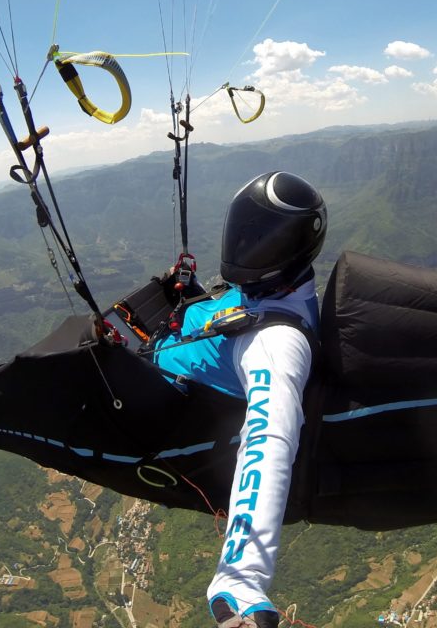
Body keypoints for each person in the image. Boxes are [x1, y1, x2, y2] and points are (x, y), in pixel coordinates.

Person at [153, 171, 327, 628]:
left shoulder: (278, 343)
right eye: (241, 235)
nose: (242, 249)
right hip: (164, 336)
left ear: (285, 249)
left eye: (257, 241)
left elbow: (270, 438)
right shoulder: (270, 291)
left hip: (148, 398)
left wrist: (241, 575)